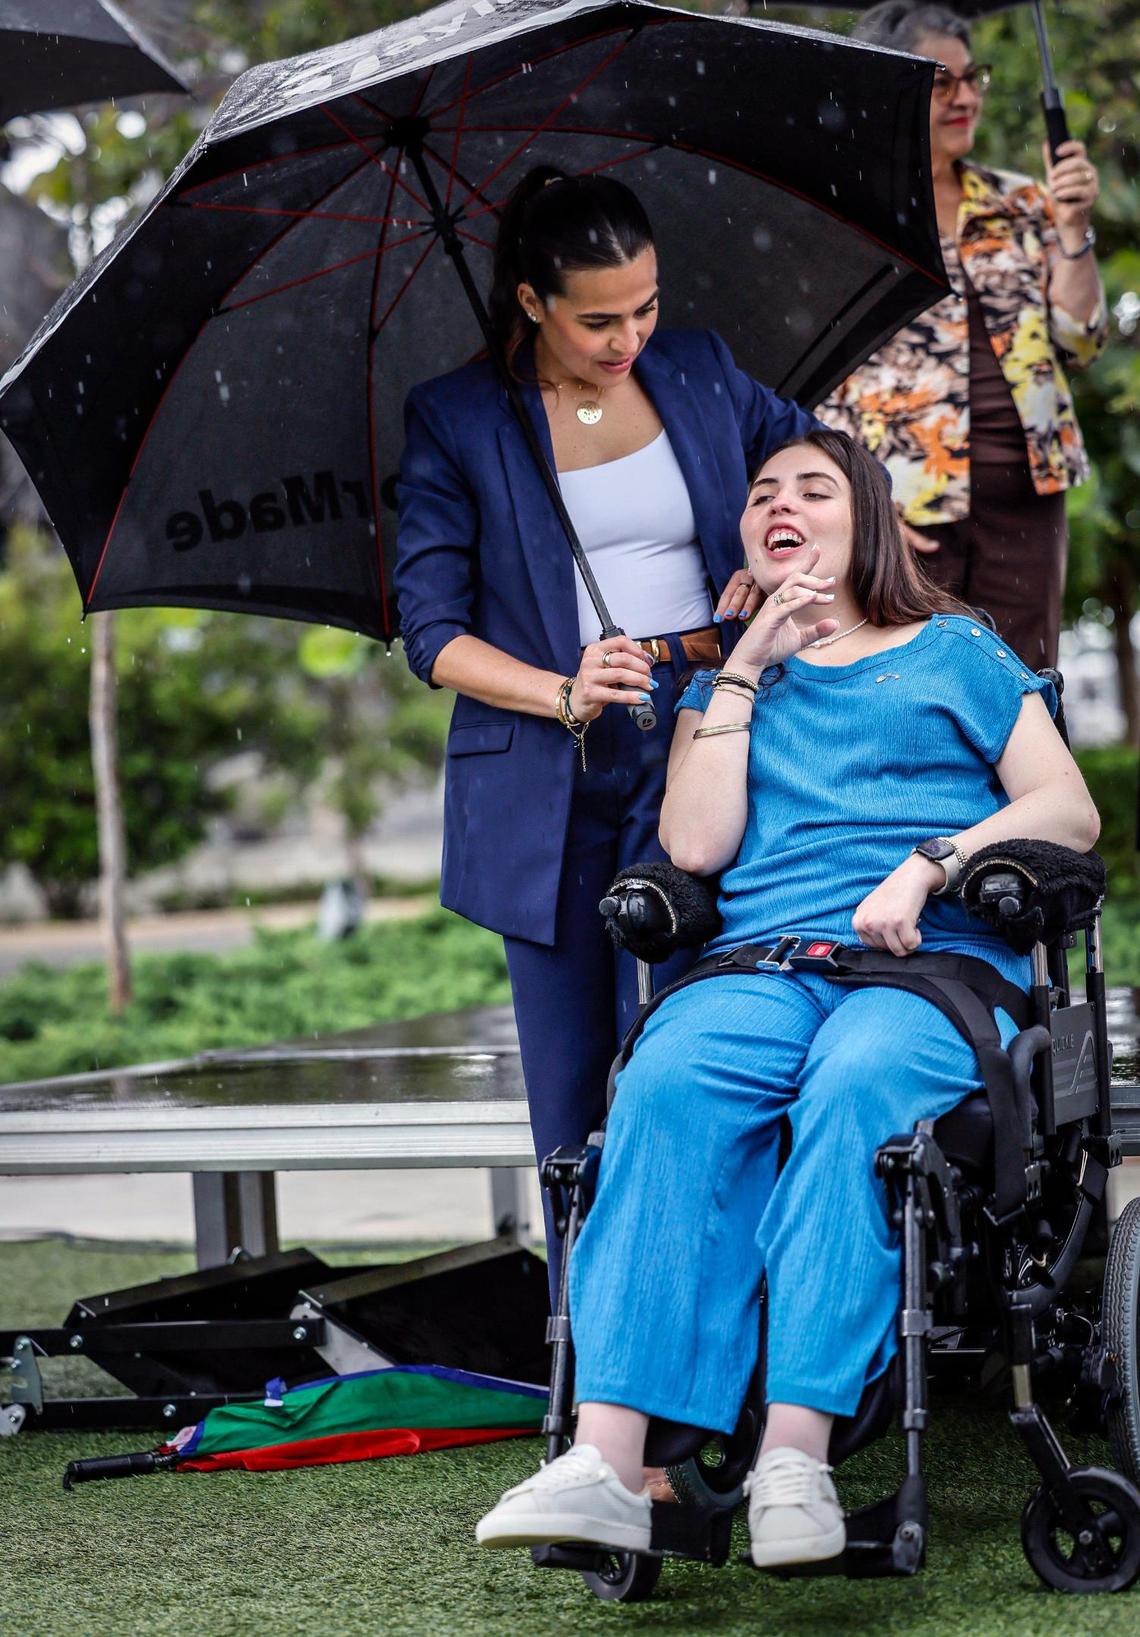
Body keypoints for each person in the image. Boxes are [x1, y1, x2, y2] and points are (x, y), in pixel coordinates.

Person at [473, 428, 1099, 1568]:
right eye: (762, 491)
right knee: (665, 1076)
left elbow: (1067, 808)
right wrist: (747, 666)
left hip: (930, 966)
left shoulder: (954, 650)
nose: (782, 502)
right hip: (763, 965)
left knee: (857, 1078)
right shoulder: (728, 683)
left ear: (865, 520)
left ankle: (796, 1458)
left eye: (814, 487)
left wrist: (934, 861)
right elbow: (695, 845)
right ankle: (610, 1463)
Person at [396, 167, 826, 1280]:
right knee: (574, 1074)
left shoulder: (700, 368)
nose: (630, 335)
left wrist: (770, 551)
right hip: (549, 759)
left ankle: (724, 1321)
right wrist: (563, 690)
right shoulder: (456, 416)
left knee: (697, 1040)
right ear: (531, 300)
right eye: (598, 318)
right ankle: (589, 1363)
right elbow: (430, 630)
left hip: (708, 730)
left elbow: (821, 468)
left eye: (644, 305)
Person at [821, 2, 1106, 669]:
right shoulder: (854, 218)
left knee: (1027, 681)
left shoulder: (1023, 204)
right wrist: (860, 501)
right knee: (917, 681)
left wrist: (1072, 230)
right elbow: (822, 377)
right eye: (942, 83)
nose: (967, 97)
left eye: (972, 78)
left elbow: (1082, 339)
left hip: (1028, 498)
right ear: (892, 87)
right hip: (905, 503)